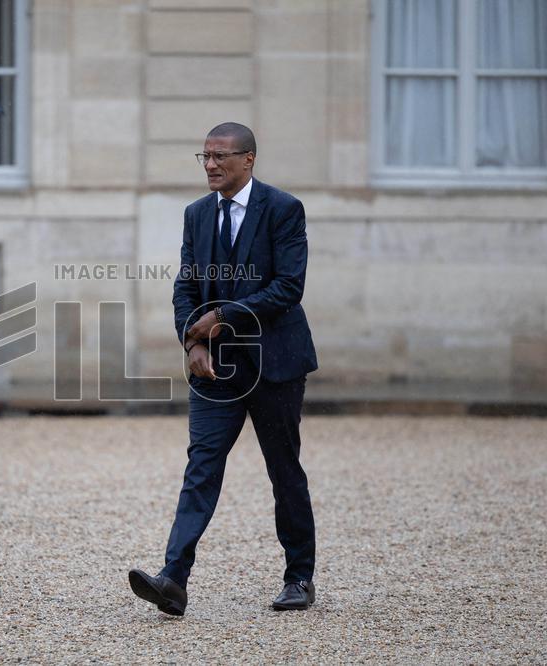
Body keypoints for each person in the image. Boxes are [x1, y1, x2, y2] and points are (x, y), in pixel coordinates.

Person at [129, 122, 319, 615]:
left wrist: (221, 317)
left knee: (284, 473)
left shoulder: (283, 210)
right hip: (215, 369)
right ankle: (173, 580)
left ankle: (299, 577)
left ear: (249, 159)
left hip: (274, 365)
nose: (211, 165)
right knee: (201, 469)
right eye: (205, 156)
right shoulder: (196, 215)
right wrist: (192, 340)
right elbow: (185, 287)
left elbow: (287, 288)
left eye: (220, 156)